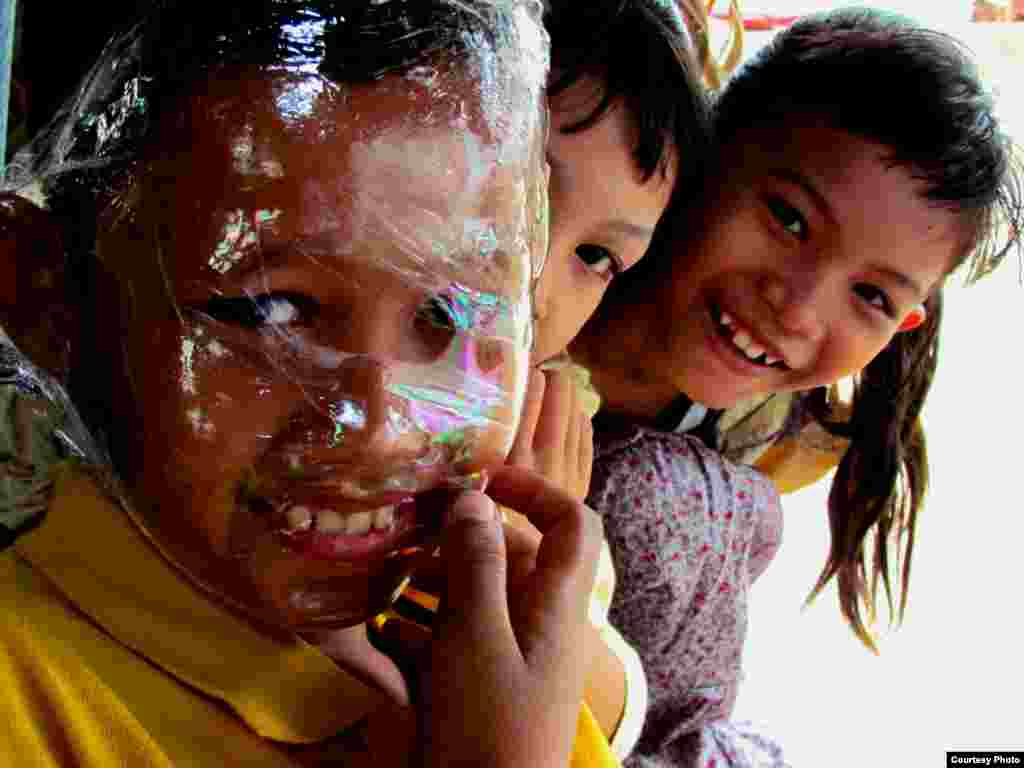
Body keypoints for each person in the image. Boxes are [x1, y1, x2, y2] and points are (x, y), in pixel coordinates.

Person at [0, 1, 618, 765]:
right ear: (44, 289)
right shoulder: (23, 702)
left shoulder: (487, 660)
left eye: (451, 310)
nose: (382, 424)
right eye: (271, 311)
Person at [570, 7, 1023, 766]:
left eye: (871, 297)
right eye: (788, 218)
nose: (800, 306)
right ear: (704, 151)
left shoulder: (764, 419)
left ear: (903, 324)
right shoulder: (539, 302)